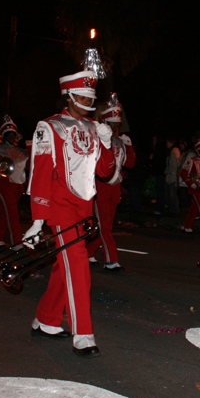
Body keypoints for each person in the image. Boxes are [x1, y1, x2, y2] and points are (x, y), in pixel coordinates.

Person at [24, 68, 115, 358]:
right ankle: (83, 333)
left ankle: (46, 320)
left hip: (85, 209)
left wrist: (107, 143)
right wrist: (38, 221)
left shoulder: (92, 127)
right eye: (82, 96)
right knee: (78, 266)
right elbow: (39, 174)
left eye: (90, 96)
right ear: (68, 96)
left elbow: (105, 172)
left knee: (65, 267)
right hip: (61, 209)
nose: (87, 101)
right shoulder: (48, 127)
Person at [86, 94, 136, 270]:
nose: (116, 125)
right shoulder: (97, 139)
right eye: (112, 122)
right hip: (101, 186)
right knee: (105, 226)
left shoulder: (121, 141)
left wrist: (128, 146)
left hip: (115, 188)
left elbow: (130, 164)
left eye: (117, 122)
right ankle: (111, 259)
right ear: (106, 121)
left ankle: (89, 252)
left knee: (106, 226)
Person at [0, 116, 28, 249]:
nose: (11, 137)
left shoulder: (22, 151)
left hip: (18, 185)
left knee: (5, 212)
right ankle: (16, 242)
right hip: (3, 185)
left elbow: (29, 165)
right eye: (8, 135)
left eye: (13, 135)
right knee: (12, 213)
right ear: (3, 135)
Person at [164, 137, 181, 216]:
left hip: (173, 177)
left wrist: (166, 171)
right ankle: (173, 210)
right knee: (172, 194)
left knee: (172, 194)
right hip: (172, 176)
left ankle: (175, 210)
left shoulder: (174, 151)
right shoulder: (173, 151)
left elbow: (173, 165)